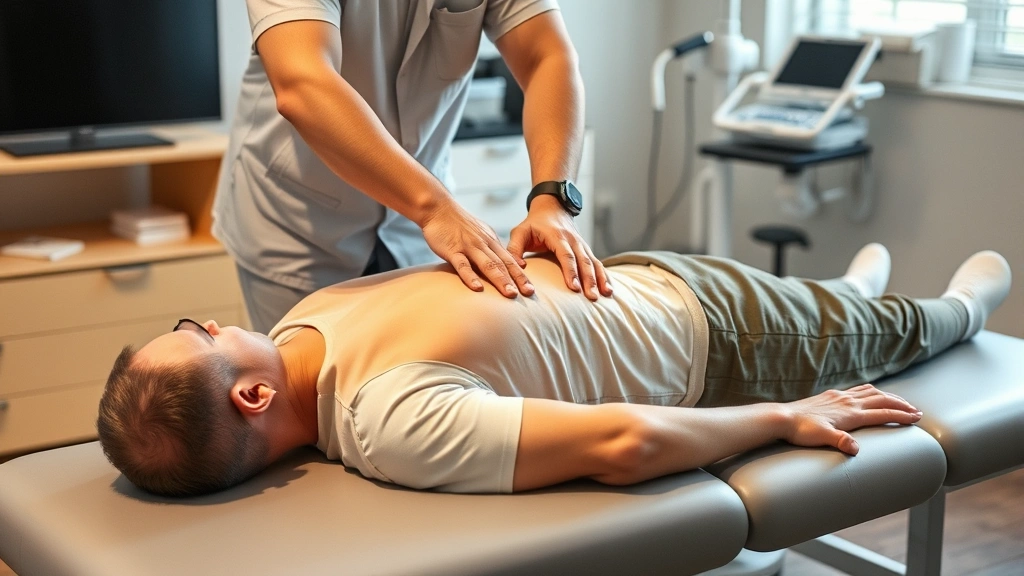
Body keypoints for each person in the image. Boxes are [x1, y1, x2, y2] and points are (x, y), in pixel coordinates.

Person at [96, 245, 1012, 497]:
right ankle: (954, 311)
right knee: (894, 327)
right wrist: (784, 418)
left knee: (827, 304)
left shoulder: (299, 325)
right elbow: (627, 439)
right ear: (249, 398)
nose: (213, 317)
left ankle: (843, 295)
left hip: (637, 272)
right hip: (722, 342)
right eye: (199, 331)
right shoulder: (391, 420)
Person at [214, 0, 611, 334]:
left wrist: (553, 198)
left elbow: (548, 56)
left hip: (416, 226)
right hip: (298, 225)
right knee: (308, 406)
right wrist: (436, 207)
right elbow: (304, 83)